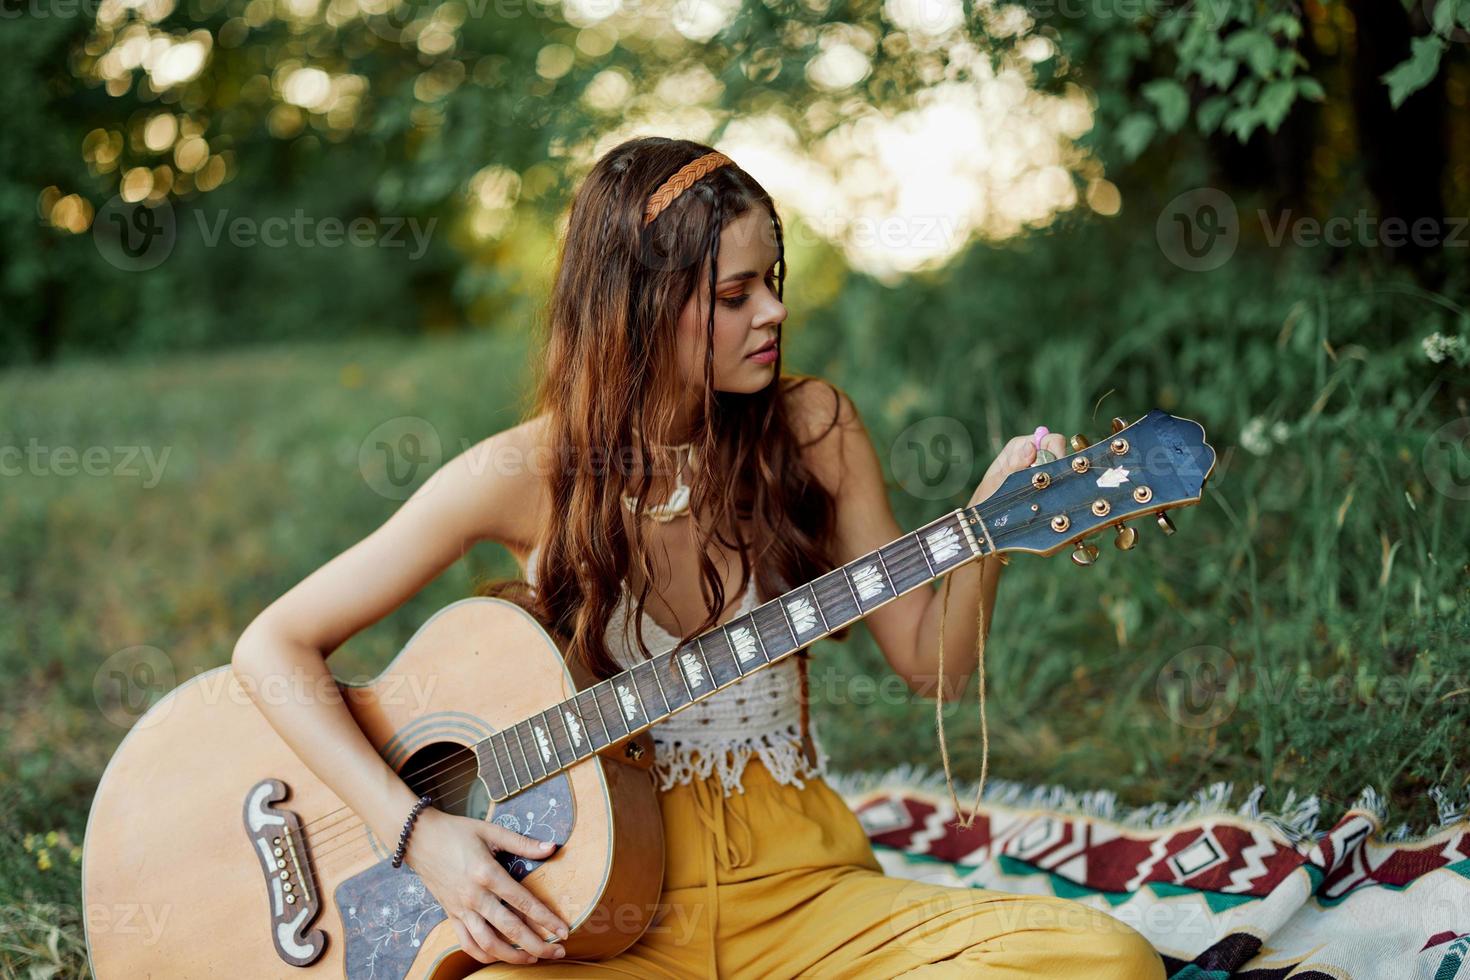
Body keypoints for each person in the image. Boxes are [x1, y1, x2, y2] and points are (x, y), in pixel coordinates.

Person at [232, 136, 1165, 978]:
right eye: (734, 295)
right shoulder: (527, 471)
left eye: (775, 281)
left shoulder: (814, 428)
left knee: (1104, 960)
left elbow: (935, 670)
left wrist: (987, 528)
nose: (774, 312)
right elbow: (273, 646)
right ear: (639, 307)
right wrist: (417, 833)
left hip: (803, 886)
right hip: (604, 910)